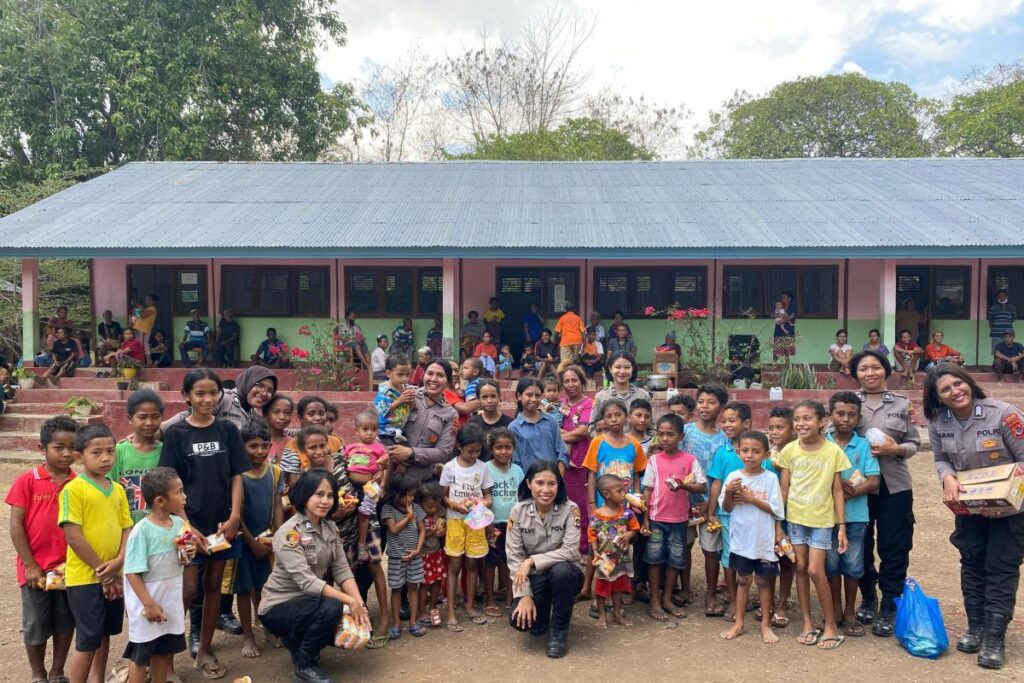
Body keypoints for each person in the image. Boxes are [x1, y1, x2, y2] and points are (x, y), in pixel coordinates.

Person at [925, 365, 1024, 669]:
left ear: (968, 382)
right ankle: (976, 628)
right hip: (971, 506)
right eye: (946, 389)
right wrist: (947, 476)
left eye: (959, 384)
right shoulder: (938, 422)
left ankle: (995, 639)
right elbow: (941, 457)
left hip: (1009, 509)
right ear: (938, 397)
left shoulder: (1003, 413)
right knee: (972, 562)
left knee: (1001, 566)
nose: (955, 391)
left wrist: (1012, 481)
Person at [159, 368, 249, 679]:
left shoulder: (228, 431)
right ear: (186, 396)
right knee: (185, 590)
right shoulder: (175, 434)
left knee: (214, 586)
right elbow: (170, 483)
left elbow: (237, 475)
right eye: (200, 393)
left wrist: (235, 514)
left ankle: (206, 648)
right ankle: (166, 660)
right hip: (188, 526)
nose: (208, 399)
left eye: (213, 393)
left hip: (223, 525)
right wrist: (186, 524)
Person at [258, 470, 371, 683]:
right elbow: (306, 582)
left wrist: (360, 604)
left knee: (344, 609)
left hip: (307, 603)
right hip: (278, 606)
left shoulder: (328, 527)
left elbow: (342, 569)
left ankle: (298, 644)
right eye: (319, 495)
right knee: (333, 607)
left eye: (330, 496)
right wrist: (349, 602)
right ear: (304, 495)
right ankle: (304, 665)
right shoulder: (289, 533)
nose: (325, 501)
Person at [849, 349, 919, 637]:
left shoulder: (902, 404)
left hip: (894, 485)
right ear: (855, 374)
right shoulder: (849, 403)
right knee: (861, 543)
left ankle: (890, 602)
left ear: (886, 371)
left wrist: (897, 449)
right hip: (859, 485)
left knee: (894, 545)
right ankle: (868, 596)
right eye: (863, 369)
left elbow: (914, 442)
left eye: (875, 367)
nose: (870, 373)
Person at [6, 416, 78, 683]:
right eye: (59, 447)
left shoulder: (78, 483)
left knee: (65, 622)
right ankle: (38, 673)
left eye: (72, 447)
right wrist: (30, 564)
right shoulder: (27, 481)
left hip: (68, 568)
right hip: (35, 568)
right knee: (35, 624)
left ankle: (58, 671)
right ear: (42, 448)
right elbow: (16, 525)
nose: (67, 453)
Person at [59, 424, 133, 683]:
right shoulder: (73, 489)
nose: (105, 458)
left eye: (110, 452)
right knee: (88, 638)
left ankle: (98, 679)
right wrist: (104, 571)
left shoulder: (118, 489)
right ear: (80, 456)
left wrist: (119, 561)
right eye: (97, 452)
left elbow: (127, 528)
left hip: (115, 573)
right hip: (86, 578)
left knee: (105, 633)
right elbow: (73, 536)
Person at [777, 400, 849, 650]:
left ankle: (831, 625)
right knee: (800, 569)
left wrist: (842, 526)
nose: (800, 423)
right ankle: (807, 623)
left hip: (822, 521)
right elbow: (783, 490)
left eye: (807, 418)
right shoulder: (789, 451)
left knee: (816, 571)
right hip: (795, 519)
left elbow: (838, 491)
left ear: (821, 422)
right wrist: (778, 523)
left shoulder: (833, 452)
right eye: (797, 419)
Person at [122, 467, 194, 683]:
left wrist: (188, 553)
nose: (184, 496)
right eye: (179, 492)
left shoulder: (180, 525)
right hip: (147, 604)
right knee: (140, 655)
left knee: (162, 651)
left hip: (170, 600)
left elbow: (182, 559)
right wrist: (149, 604)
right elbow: (132, 572)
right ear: (161, 501)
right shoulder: (141, 531)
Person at [506, 461, 584, 658]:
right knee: (522, 622)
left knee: (561, 572)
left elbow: (570, 551)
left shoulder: (570, 509)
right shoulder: (518, 511)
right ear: (529, 483)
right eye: (539, 483)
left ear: (559, 485)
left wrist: (531, 561)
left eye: (552, 483)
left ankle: (559, 630)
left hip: (566, 574)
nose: (546, 490)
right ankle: (541, 614)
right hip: (536, 577)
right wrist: (523, 595)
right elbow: (514, 557)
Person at [719, 430, 785, 644]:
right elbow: (727, 508)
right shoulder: (732, 478)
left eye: (756, 451)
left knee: (764, 582)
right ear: (738, 452)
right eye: (745, 450)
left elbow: (777, 510)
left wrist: (751, 498)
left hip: (763, 541)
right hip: (741, 541)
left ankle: (765, 625)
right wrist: (729, 492)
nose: (750, 455)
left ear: (765, 454)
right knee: (743, 580)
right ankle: (738, 623)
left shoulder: (770, 478)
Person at [227, 420, 284, 659]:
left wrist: (279, 538)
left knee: (266, 586)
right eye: (253, 446)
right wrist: (251, 542)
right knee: (244, 589)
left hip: (268, 540)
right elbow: (236, 513)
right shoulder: (237, 476)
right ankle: (248, 636)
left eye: (264, 446)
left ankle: (268, 627)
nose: (260, 451)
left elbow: (278, 505)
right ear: (242, 447)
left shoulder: (275, 472)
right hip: (243, 541)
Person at [642, 413, 706, 621]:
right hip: (656, 519)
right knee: (654, 560)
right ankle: (654, 599)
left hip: (679, 521)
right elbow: (647, 491)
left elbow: (702, 486)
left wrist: (684, 485)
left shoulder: (689, 460)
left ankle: (667, 598)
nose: (665, 439)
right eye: (661, 434)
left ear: (681, 436)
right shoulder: (653, 460)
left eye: (670, 434)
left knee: (675, 561)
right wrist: (644, 519)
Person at [825, 391, 880, 638]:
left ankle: (849, 612)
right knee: (832, 565)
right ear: (830, 415)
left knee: (854, 566)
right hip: (825, 518)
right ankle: (835, 611)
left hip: (856, 517)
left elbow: (873, 481)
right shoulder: (821, 443)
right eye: (840, 413)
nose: (845, 419)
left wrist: (846, 493)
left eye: (851, 414)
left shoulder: (863, 445)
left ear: (858, 418)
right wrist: (835, 490)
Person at [682, 384, 730, 616]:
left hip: (712, 506)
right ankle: (685, 588)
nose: (704, 406)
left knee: (711, 551)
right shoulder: (686, 431)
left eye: (711, 402)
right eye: (701, 401)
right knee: (685, 546)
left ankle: (711, 594)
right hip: (684, 502)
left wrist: (710, 504)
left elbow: (722, 476)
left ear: (721, 407)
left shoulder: (725, 439)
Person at [441, 425, 493, 631]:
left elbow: (489, 496)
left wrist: (480, 504)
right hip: (455, 521)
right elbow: (443, 496)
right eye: (470, 450)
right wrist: (455, 505)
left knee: (472, 565)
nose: (474, 455)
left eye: (478, 451)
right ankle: (451, 612)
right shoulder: (449, 468)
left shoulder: (482, 468)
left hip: (476, 522)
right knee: (454, 566)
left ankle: (470, 606)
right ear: (459, 446)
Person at [705, 402, 753, 621]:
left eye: (731, 420)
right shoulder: (722, 452)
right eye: (723, 420)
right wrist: (711, 511)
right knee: (729, 556)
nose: (726, 424)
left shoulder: (756, 451)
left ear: (747, 423)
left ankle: (753, 597)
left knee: (751, 555)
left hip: (752, 514)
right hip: (726, 514)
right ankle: (734, 600)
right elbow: (716, 482)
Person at [385, 359, 458, 483]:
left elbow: (443, 452)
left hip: (420, 481)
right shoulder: (405, 394)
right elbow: (379, 421)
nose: (433, 379)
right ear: (423, 375)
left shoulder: (450, 414)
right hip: (390, 472)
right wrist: (394, 453)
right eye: (430, 373)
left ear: (448, 381)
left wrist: (410, 453)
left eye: (440, 375)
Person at [588, 475, 639, 630]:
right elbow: (592, 535)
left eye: (624, 490)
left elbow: (635, 529)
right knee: (603, 586)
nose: (624, 494)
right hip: (605, 559)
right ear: (606, 494)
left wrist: (630, 534)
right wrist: (596, 552)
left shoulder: (627, 514)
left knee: (618, 586)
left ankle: (616, 613)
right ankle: (602, 614)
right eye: (619, 491)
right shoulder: (597, 516)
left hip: (621, 557)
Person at [483, 428, 524, 615]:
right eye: (499, 447)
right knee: (491, 561)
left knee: (511, 560)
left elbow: (522, 497)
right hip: (492, 523)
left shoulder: (517, 470)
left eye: (508, 447)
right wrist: (487, 522)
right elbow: (482, 497)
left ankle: (510, 596)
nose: (503, 451)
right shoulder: (485, 468)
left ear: (513, 449)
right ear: (491, 449)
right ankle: (490, 599)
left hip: (513, 524)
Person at [381, 475, 427, 639]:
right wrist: (408, 517)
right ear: (396, 493)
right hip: (396, 557)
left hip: (414, 556)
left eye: (413, 495)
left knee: (413, 588)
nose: (411, 498)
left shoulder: (416, 508)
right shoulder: (388, 509)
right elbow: (393, 530)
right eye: (408, 495)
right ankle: (396, 624)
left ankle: (413, 622)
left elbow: (422, 529)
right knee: (396, 589)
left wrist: (418, 549)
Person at [110, 389, 165, 525]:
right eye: (142, 417)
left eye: (155, 416)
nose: (149, 422)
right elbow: (109, 491)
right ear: (130, 419)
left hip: (160, 530)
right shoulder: (118, 451)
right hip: (125, 529)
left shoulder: (166, 451)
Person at [558, 366, 594, 556]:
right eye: (566, 381)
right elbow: (554, 429)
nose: (571, 384)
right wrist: (571, 434)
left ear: (582, 381)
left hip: (581, 459)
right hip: (562, 461)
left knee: (581, 504)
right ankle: (566, 546)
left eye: (574, 380)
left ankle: (583, 547)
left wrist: (562, 434)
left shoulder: (589, 404)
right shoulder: (560, 404)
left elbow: (583, 431)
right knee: (564, 503)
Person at [510, 379, 569, 473]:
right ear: (519, 396)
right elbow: (516, 462)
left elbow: (562, 452)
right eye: (529, 395)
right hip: (528, 482)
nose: (533, 399)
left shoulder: (551, 421)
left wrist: (558, 479)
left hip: (553, 481)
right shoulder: (514, 427)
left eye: (537, 396)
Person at [592, 352, 651, 428]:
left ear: (632, 369)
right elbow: (592, 427)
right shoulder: (601, 397)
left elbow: (651, 426)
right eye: (618, 367)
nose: (622, 371)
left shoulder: (643, 395)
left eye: (627, 367)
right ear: (610, 369)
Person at [374, 353, 415, 445]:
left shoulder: (406, 388)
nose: (405, 379)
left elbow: (411, 408)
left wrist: (411, 401)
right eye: (400, 375)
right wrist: (400, 400)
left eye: (408, 374)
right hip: (386, 432)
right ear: (388, 373)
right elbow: (382, 410)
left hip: (401, 430)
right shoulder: (384, 391)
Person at [466, 378, 512, 460]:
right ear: (478, 399)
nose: (489, 401)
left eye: (493, 396)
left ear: (499, 397)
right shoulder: (472, 424)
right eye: (484, 397)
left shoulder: (510, 424)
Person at [264, 395, 294, 466]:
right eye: (276, 412)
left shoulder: (293, 444)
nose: (282, 417)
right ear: (265, 414)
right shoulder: (257, 442)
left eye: (287, 413)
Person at [553, 304, 585, 368]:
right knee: (575, 361)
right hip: (577, 341)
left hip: (565, 341)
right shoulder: (578, 318)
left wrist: (555, 341)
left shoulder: (562, 318)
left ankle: (566, 375)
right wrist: (583, 344)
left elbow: (556, 332)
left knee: (565, 362)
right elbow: (583, 332)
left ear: (566, 310)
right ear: (574, 310)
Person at [987, 289, 1017, 355]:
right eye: (999, 296)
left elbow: (1014, 318)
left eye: (1003, 295)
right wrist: (992, 329)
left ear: (1006, 296)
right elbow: (990, 319)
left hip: (1008, 333)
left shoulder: (1011, 307)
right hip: (996, 333)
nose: (1001, 297)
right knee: (996, 350)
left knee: (1007, 350)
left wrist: (1005, 323)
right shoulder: (993, 307)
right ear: (998, 297)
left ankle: (1006, 364)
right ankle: (996, 365)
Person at [133, 295, 158, 366]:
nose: (146, 302)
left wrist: (141, 308)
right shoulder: (147, 309)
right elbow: (136, 316)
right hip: (139, 329)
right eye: (146, 300)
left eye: (148, 300)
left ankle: (148, 362)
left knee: (145, 346)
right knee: (140, 346)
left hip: (144, 330)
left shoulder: (153, 308)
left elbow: (143, 315)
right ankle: (142, 362)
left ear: (153, 301)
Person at [773, 291, 797, 361]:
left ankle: (787, 368)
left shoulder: (793, 306)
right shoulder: (779, 305)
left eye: (784, 297)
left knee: (787, 352)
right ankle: (776, 368)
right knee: (777, 351)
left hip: (788, 330)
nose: (782, 299)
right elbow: (771, 314)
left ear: (789, 298)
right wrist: (776, 315)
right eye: (782, 297)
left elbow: (792, 316)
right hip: (778, 331)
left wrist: (783, 320)